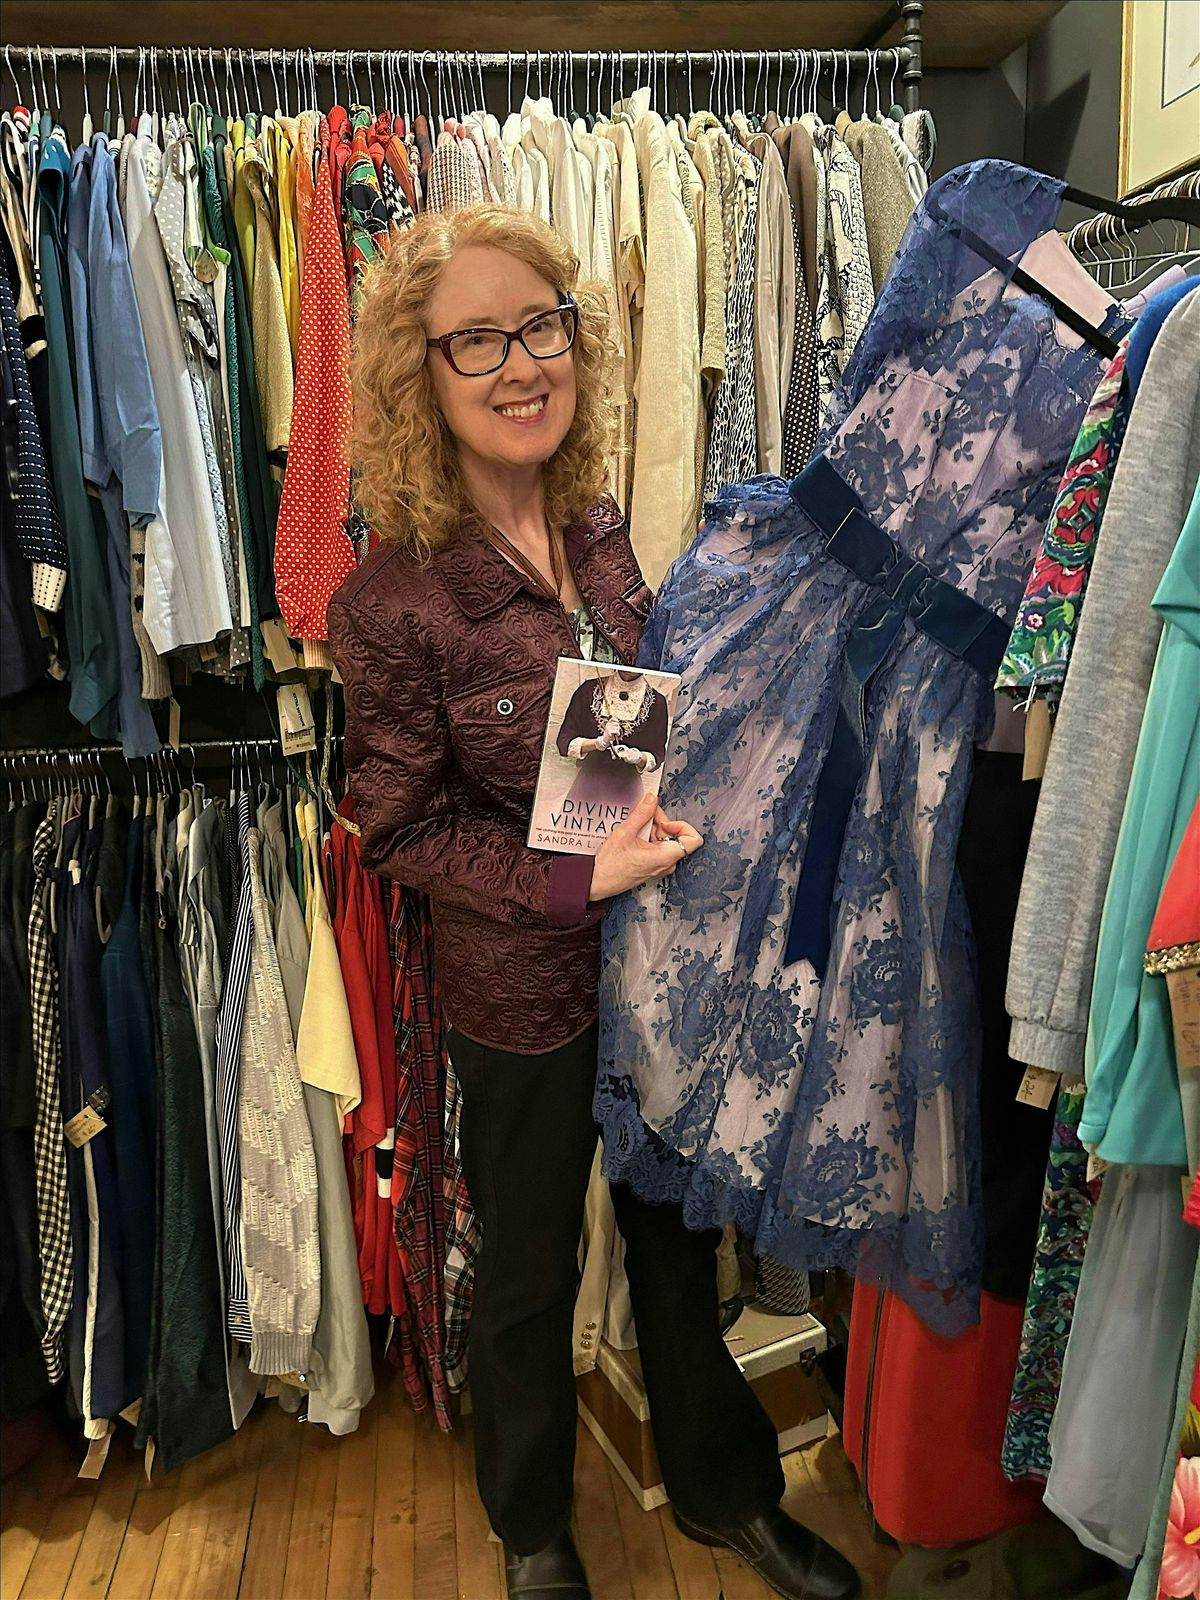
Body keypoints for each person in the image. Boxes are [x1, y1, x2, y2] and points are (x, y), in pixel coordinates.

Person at [327, 203, 860, 1600]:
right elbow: (399, 830)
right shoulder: (391, 602)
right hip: (521, 997)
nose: (522, 365)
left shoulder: (600, 527)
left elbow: (624, 720)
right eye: (478, 340)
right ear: (419, 375)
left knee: (677, 1245)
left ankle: (725, 1492)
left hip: (656, 963)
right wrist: (571, 876)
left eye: (543, 326)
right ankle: (533, 1530)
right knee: (530, 1272)